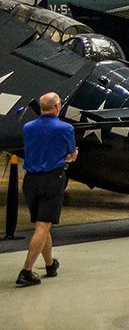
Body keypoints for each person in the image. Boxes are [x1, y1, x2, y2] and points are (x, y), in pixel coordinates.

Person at [17, 92, 77, 287]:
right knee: (43, 226)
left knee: (42, 225)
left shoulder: (28, 127)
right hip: (52, 180)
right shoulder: (65, 128)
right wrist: (70, 156)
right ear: (57, 107)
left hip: (30, 181)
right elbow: (70, 153)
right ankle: (26, 271)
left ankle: (50, 264)